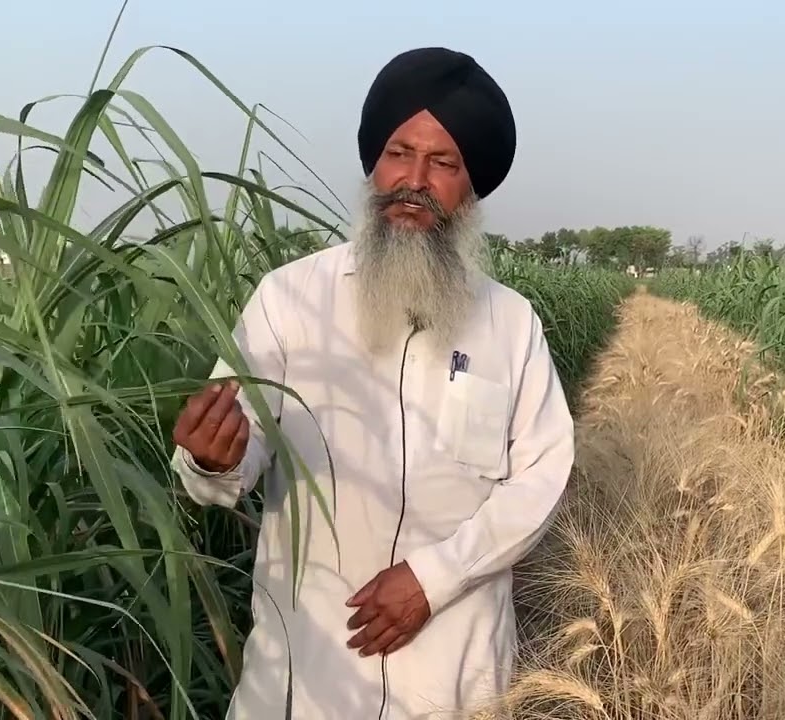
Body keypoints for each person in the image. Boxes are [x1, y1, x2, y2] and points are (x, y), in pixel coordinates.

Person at [170, 47, 574, 719]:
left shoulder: (509, 323)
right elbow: (232, 462)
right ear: (372, 163)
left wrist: (433, 579)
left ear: (472, 187)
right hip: (305, 675)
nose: (413, 180)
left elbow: (542, 475)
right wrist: (216, 457)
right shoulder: (289, 299)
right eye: (397, 153)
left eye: (443, 163)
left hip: (453, 674)